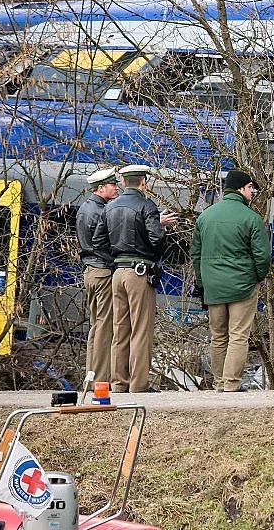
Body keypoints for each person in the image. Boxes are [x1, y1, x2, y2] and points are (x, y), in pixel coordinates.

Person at [93, 164, 178, 393]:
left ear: (123, 183)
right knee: (141, 329)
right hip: (139, 273)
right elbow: (158, 240)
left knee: (120, 330)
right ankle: (139, 384)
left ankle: (119, 383)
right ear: (143, 183)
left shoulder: (109, 208)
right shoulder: (147, 206)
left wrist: (116, 259)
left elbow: (98, 243)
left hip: (117, 273)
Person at [191, 169, 270, 393]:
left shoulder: (205, 216)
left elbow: (195, 254)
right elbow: (262, 256)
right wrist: (256, 278)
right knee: (238, 336)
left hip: (213, 287)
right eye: (250, 188)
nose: (252, 192)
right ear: (241, 189)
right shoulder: (251, 218)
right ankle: (232, 383)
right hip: (243, 286)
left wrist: (202, 281)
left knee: (218, 337)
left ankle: (218, 383)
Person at [76, 167, 119, 383]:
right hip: (103, 271)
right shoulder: (102, 212)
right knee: (104, 326)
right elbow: (103, 245)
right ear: (101, 188)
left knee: (96, 325)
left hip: (90, 271)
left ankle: (90, 375)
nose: (117, 188)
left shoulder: (84, 208)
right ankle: (100, 379)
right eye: (113, 185)